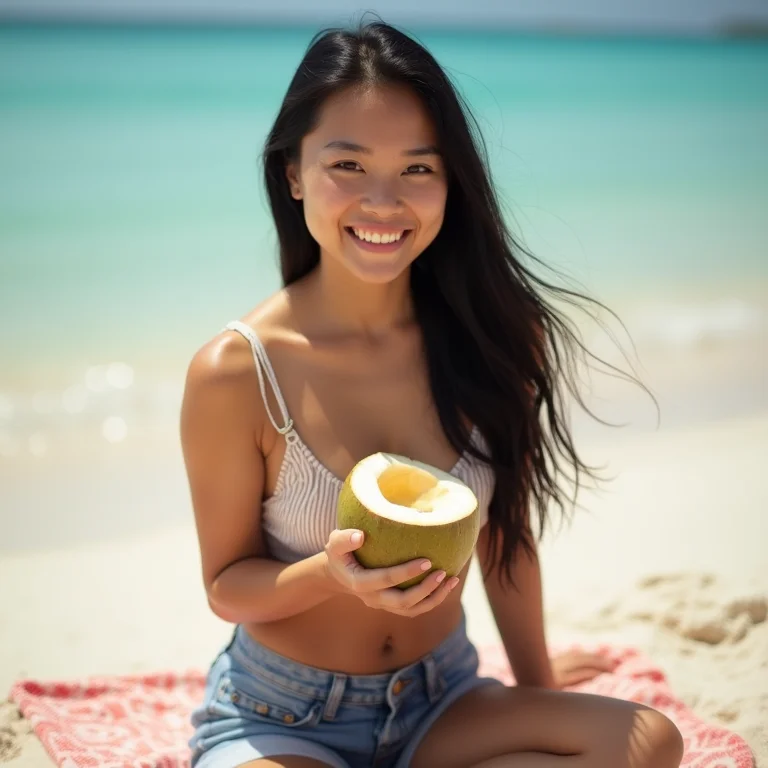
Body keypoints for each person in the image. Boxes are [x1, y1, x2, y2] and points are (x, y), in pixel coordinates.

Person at [180, 19, 684, 768]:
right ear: (293, 173)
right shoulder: (238, 371)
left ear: (451, 181)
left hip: (444, 701)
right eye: (346, 163)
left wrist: (538, 687)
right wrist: (332, 575)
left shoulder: (492, 339)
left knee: (648, 741)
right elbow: (228, 586)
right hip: (284, 715)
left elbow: (505, 535)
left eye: (419, 169)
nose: (384, 202)